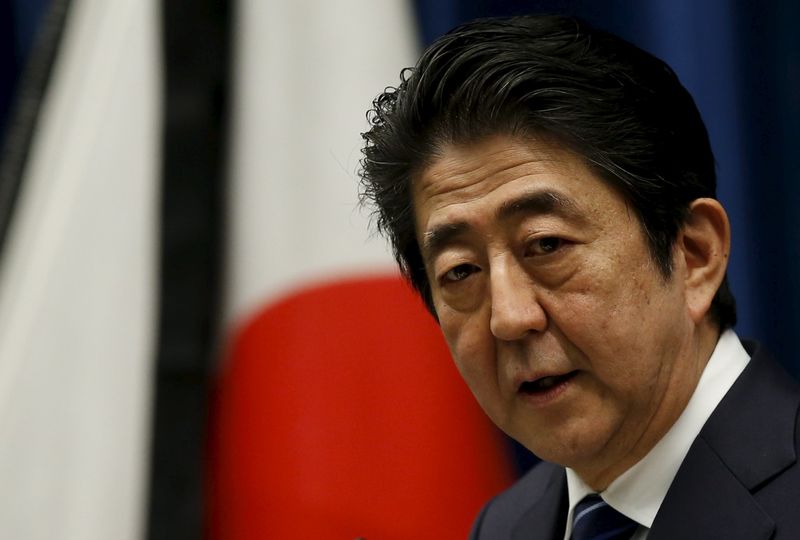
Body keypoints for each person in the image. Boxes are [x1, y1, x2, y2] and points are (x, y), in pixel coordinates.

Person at [358, 14, 800, 540]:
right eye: (461, 271)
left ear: (694, 254)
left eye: (547, 245)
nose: (509, 317)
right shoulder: (504, 527)